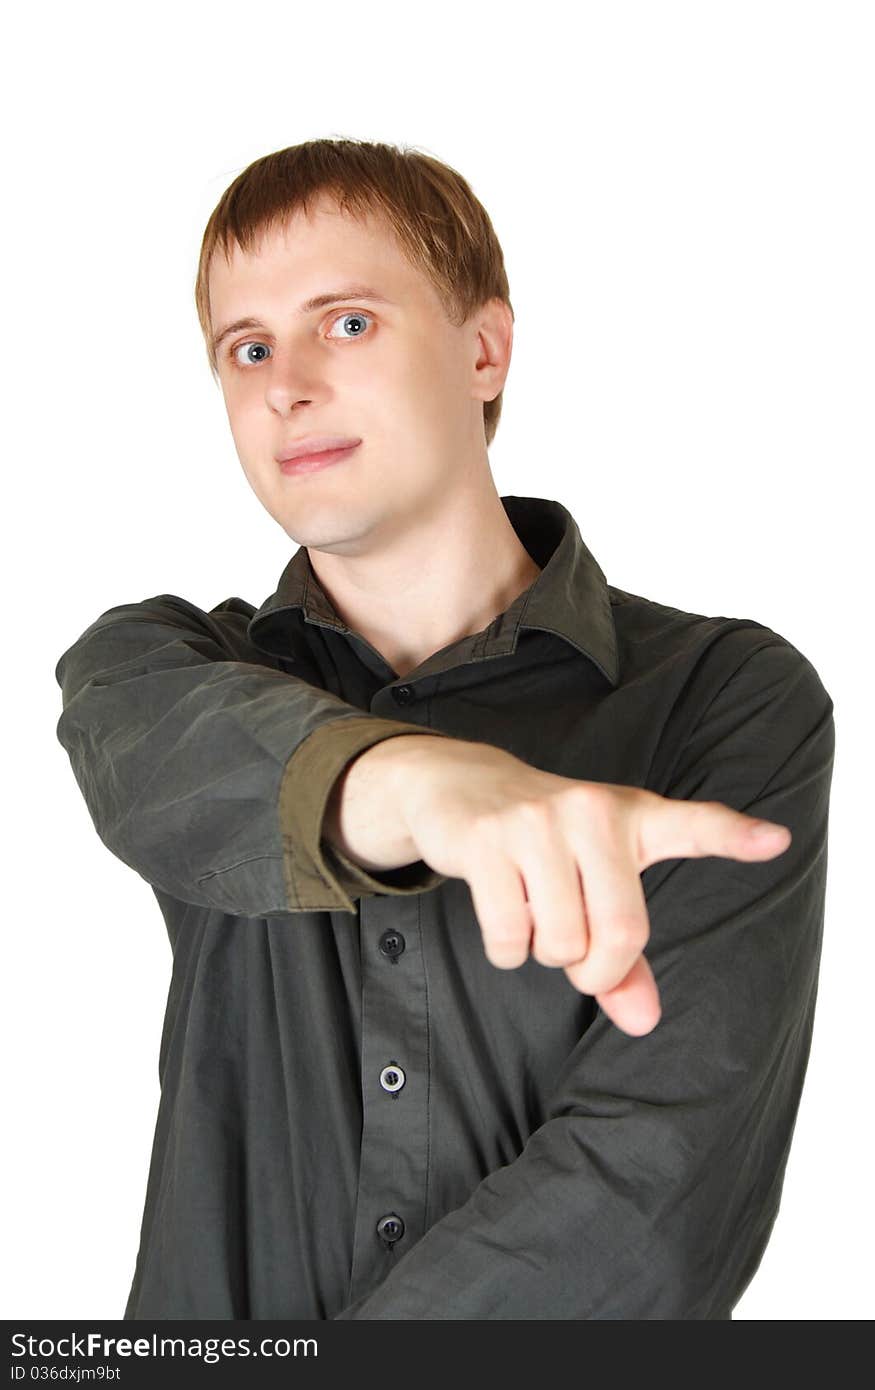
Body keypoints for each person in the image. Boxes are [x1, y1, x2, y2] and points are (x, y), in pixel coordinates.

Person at [54, 137, 835, 1320]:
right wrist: (416, 787)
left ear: (483, 349)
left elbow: (655, 1189)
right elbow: (152, 756)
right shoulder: (164, 666)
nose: (285, 384)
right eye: (247, 347)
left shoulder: (729, 698)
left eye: (347, 323)